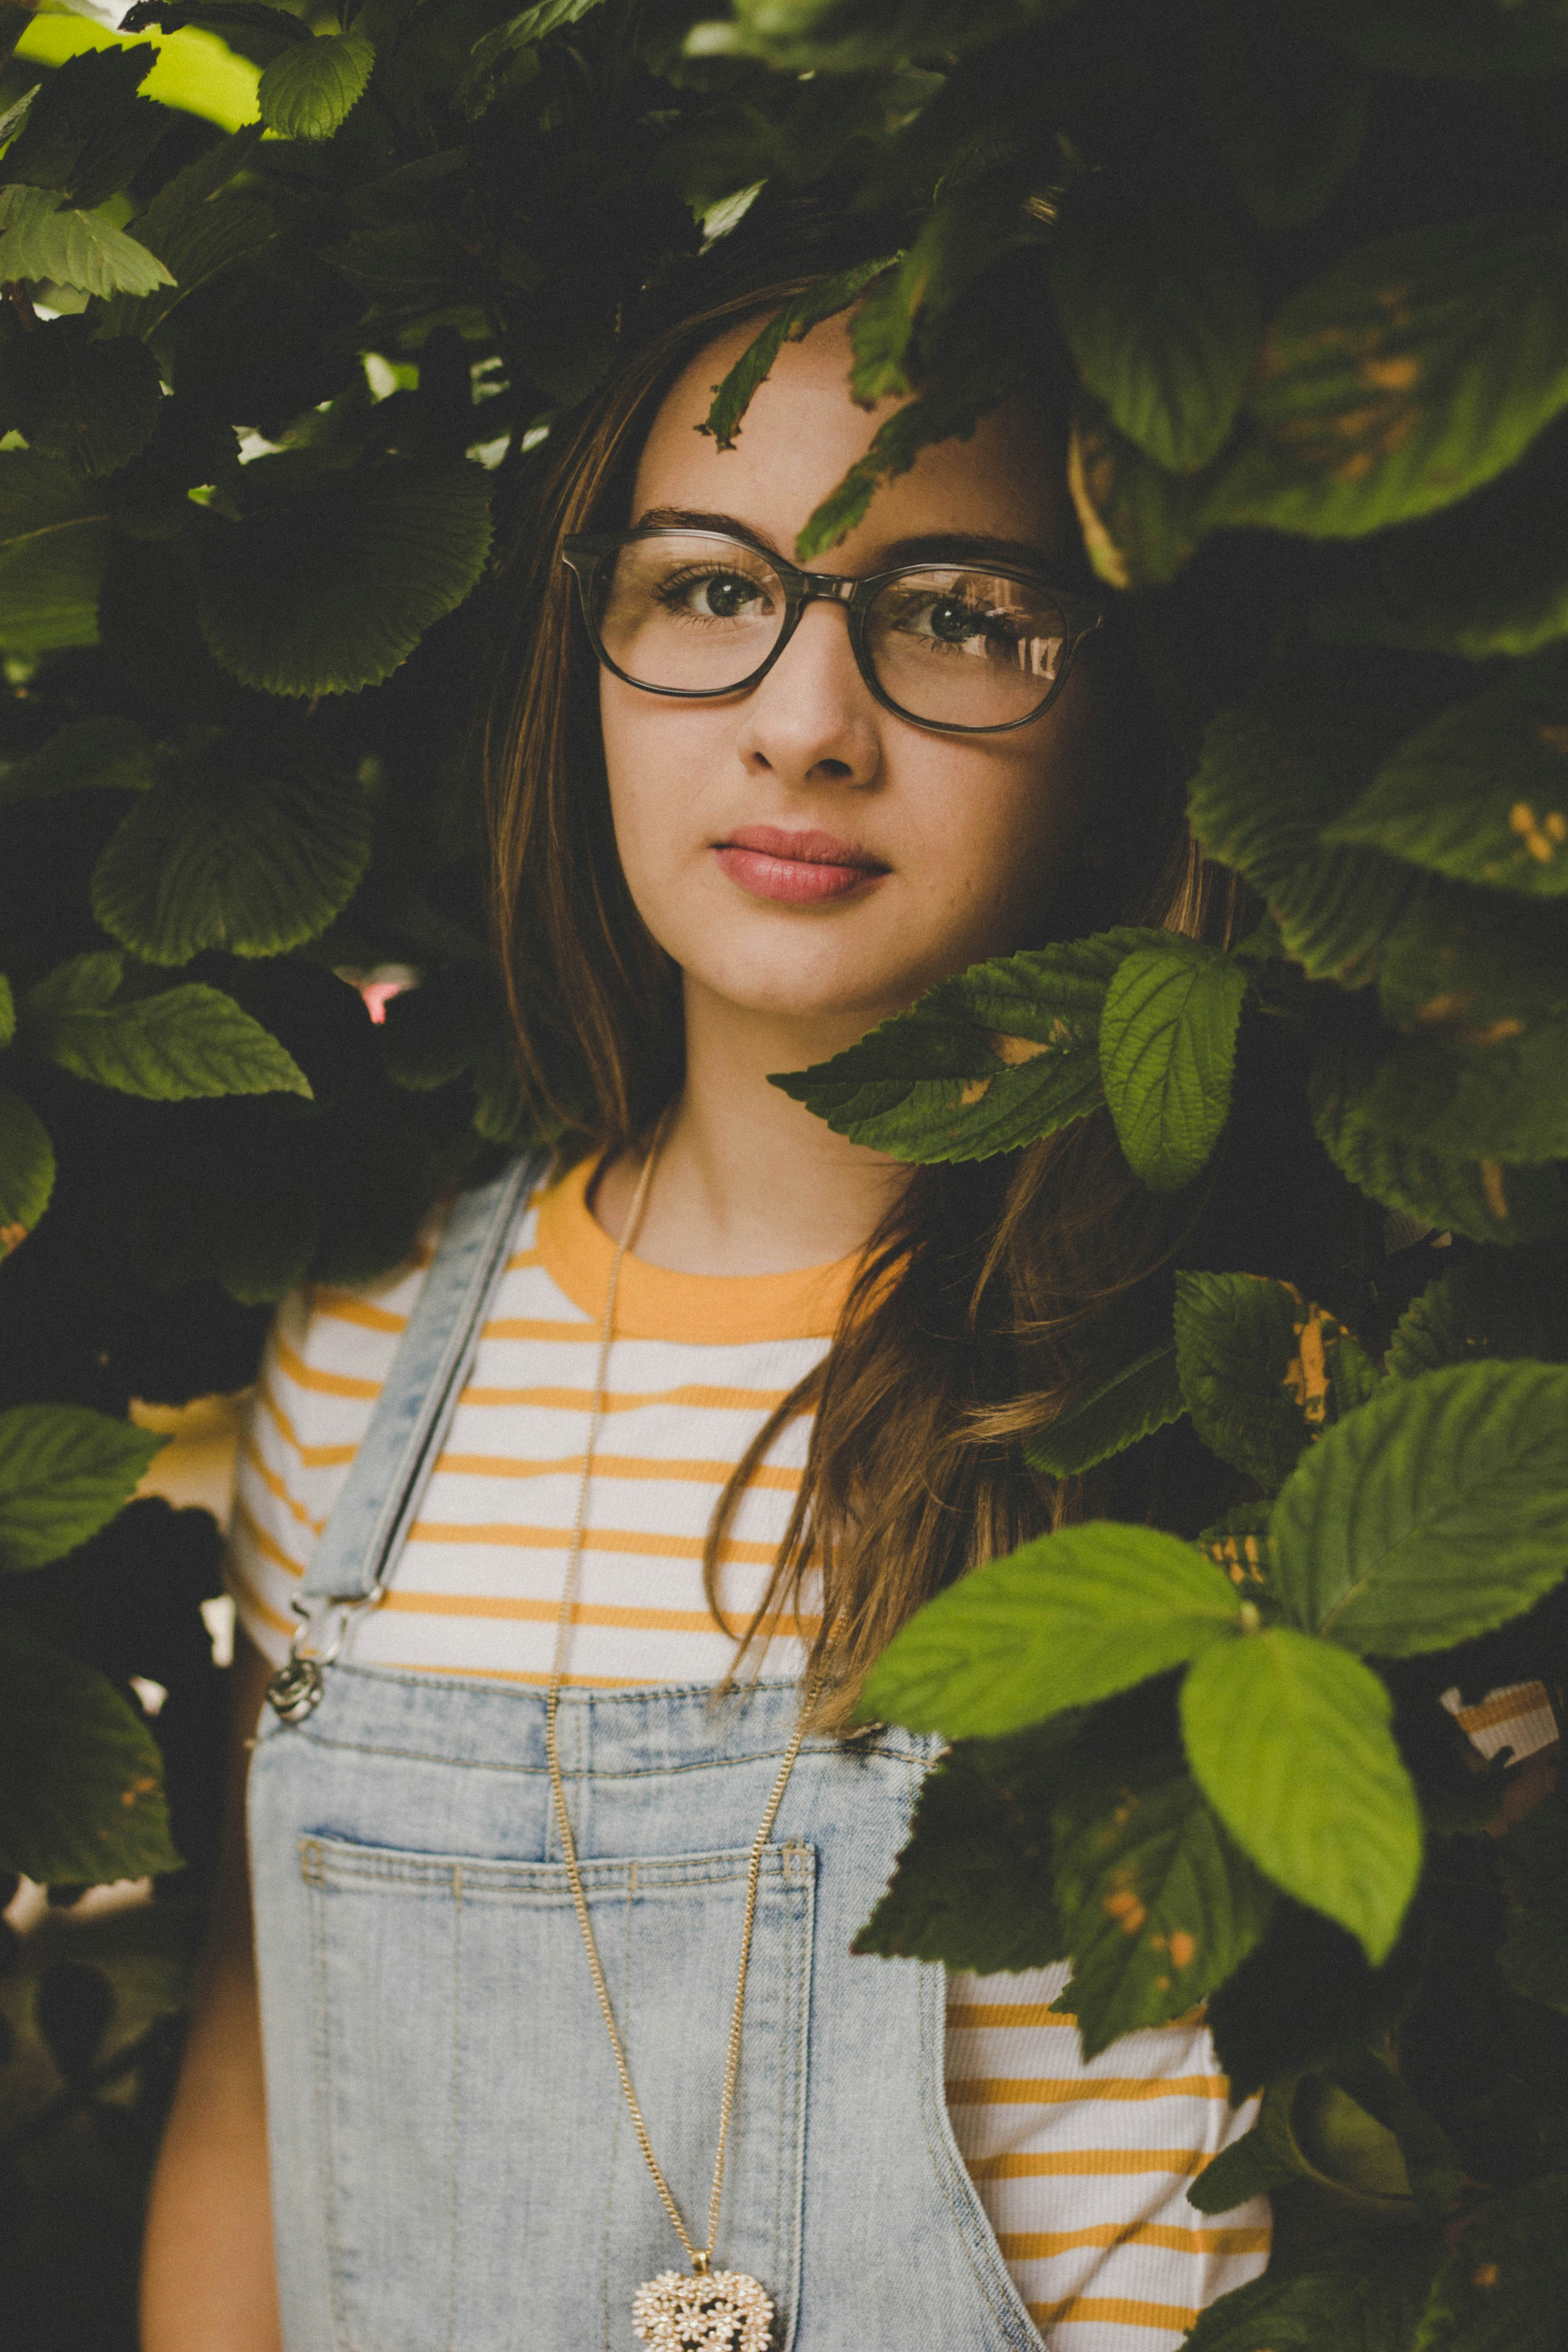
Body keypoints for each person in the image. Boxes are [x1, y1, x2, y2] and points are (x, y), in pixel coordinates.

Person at [140, 226, 1281, 2352]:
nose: (804, 722)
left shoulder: (1259, 1403)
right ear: (591, 653)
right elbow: (255, 2077)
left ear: (1117, 708)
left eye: (957, 617)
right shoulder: (372, 1362)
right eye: (712, 590)